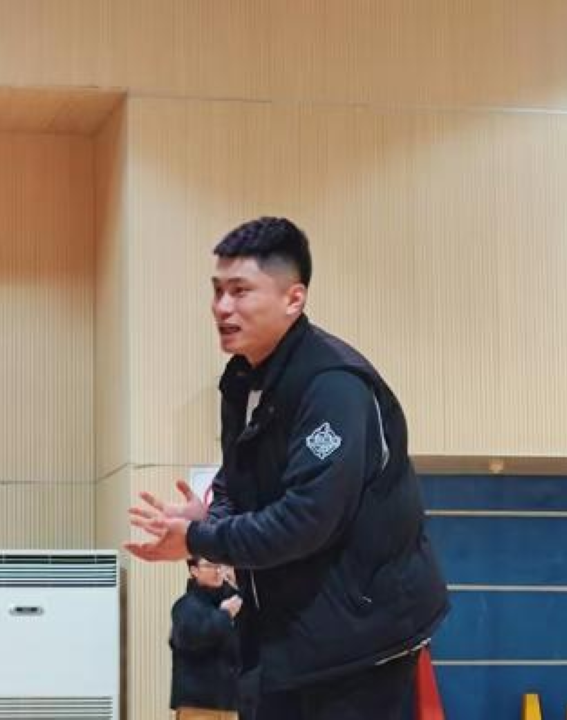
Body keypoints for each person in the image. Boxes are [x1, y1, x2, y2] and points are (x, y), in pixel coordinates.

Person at [128, 217, 449, 720]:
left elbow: (307, 519)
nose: (222, 307)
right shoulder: (242, 382)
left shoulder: (332, 385)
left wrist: (198, 538)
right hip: (284, 640)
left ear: (293, 299)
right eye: (217, 291)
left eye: (240, 291)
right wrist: (210, 518)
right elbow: (234, 484)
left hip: (359, 648)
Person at [170, 556, 243, 720]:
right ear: (194, 570)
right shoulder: (185, 606)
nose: (217, 570)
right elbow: (191, 637)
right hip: (197, 705)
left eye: (220, 565)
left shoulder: (232, 602)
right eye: (210, 565)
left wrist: (237, 585)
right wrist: (224, 615)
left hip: (230, 704)